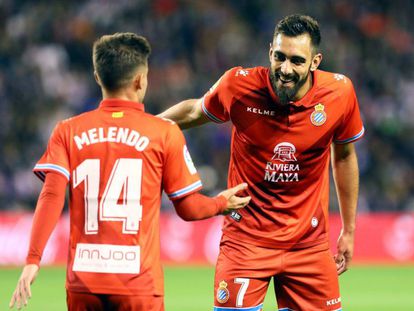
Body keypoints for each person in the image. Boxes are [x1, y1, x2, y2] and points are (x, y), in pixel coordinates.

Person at [9, 33, 251, 311]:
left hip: (83, 284)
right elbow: (189, 208)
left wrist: (33, 259)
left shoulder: (67, 130)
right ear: (140, 80)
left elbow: (51, 196)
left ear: (98, 77)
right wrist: (222, 203)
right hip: (138, 285)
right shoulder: (164, 133)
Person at [158, 14, 365, 311]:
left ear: (315, 62)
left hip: (308, 244)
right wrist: (140, 126)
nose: (285, 69)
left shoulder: (339, 93)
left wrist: (349, 229)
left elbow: (344, 156)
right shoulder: (238, 86)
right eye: (279, 57)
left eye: (296, 61)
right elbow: (193, 112)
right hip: (245, 241)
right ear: (270, 51)